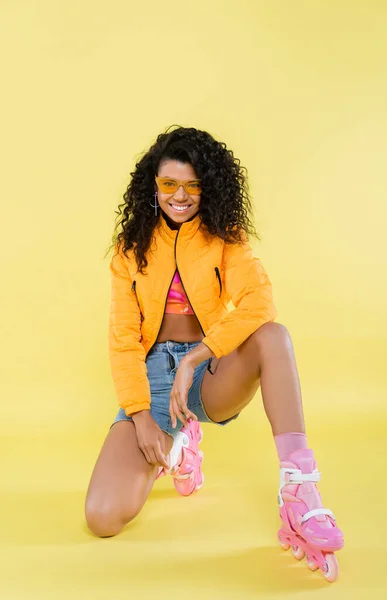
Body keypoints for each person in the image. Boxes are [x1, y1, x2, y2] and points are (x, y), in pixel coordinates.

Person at [85, 125, 344, 582]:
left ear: (208, 186)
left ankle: (300, 489)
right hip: (151, 381)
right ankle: (182, 449)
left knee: (274, 335)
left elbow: (258, 302)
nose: (179, 195)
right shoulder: (130, 250)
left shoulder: (224, 237)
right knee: (103, 517)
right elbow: (122, 337)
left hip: (210, 371)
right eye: (169, 184)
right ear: (154, 186)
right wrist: (141, 414)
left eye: (192, 185)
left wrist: (194, 357)